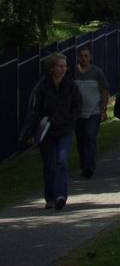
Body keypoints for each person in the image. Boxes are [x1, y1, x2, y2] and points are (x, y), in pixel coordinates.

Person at [27, 53, 81, 210]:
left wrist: (70, 119)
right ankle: (50, 196)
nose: (63, 69)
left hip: (64, 130)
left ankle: (60, 195)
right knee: (49, 165)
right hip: (47, 131)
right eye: (60, 66)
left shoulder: (71, 86)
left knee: (62, 161)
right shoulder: (42, 87)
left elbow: (77, 106)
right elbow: (34, 110)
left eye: (65, 66)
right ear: (52, 68)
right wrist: (31, 131)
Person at [73, 45, 109, 179]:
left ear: (90, 58)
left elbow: (105, 89)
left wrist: (103, 109)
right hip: (77, 113)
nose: (83, 58)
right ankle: (84, 165)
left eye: (86, 56)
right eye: (81, 56)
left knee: (90, 136)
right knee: (81, 140)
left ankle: (89, 167)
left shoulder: (97, 72)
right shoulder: (73, 72)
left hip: (93, 112)